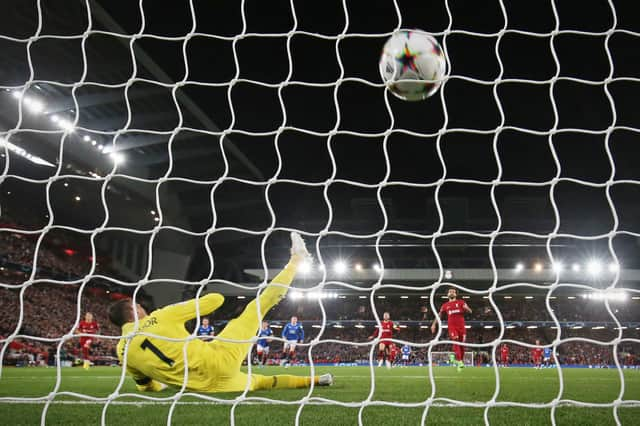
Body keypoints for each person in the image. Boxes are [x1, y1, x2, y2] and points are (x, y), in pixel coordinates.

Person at [108, 232, 333, 393]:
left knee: (260, 382)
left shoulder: (122, 350)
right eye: (139, 306)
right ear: (135, 310)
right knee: (259, 305)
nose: (143, 307)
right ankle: (297, 260)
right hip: (218, 357)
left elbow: (145, 386)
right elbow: (216, 300)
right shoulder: (161, 316)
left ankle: (315, 379)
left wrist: (163, 384)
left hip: (209, 388)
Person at [431, 288, 472, 372]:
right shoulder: (445, 305)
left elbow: (470, 311)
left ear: (456, 294)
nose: (451, 293)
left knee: (462, 345)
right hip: (452, 327)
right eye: (450, 292)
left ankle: (457, 360)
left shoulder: (461, 302)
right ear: (447, 294)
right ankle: (460, 362)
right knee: (455, 340)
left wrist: (466, 308)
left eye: (453, 292)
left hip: (462, 327)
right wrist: (434, 324)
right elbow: (439, 315)